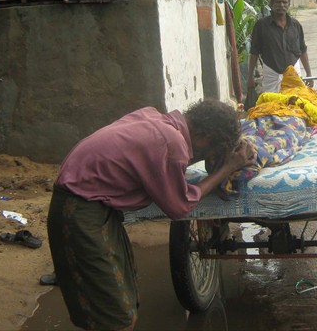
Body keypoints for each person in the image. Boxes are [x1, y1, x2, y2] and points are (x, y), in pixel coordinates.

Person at [47, 100, 255, 331]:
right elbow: (180, 206)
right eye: (212, 149)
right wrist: (228, 168)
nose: (207, 156)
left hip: (84, 205)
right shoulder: (171, 143)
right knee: (116, 317)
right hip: (80, 213)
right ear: (205, 135)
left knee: (119, 302)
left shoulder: (152, 118)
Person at [247, 0, 313, 94]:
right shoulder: (261, 26)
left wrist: (309, 74)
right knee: (272, 107)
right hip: (271, 76)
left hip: (294, 76)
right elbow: (254, 52)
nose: (281, 5)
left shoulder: (296, 26)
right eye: (278, 2)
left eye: (284, 2)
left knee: (296, 106)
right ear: (272, 3)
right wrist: (250, 77)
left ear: (288, 4)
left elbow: (302, 50)